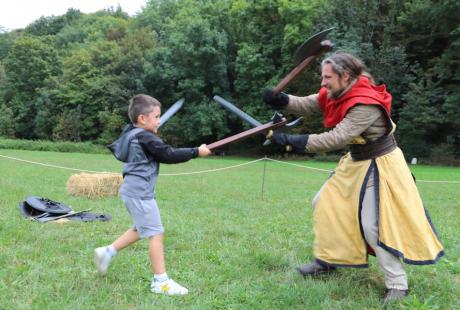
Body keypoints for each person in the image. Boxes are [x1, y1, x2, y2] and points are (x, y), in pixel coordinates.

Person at [263, 52, 444, 303]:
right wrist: (281, 100)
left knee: (373, 226)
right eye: (323, 77)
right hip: (356, 161)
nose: (323, 83)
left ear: (345, 76)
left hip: (380, 164)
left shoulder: (364, 103)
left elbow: (335, 138)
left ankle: (398, 285)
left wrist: (292, 142)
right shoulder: (338, 91)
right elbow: (309, 103)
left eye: (328, 78)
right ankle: (329, 262)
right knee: (322, 203)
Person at [94, 94, 211, 295]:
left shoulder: (132, 133)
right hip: (139, 193)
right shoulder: (145, 137)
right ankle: (161, 282)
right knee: (156, 234)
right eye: (156, 117)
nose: (159, 121)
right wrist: (195, 152)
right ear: (142, 118)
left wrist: (153, 127)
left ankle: (107, 252)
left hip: (133, 191)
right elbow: (169, 154)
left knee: (141, 229)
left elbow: (156, 145)